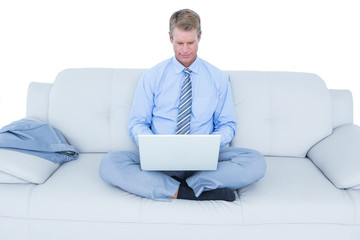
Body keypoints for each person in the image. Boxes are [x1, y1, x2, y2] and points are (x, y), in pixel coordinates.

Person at [99, 9, 266, 202]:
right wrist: (154, 146)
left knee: (255, 162)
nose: (185, 50)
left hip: (205, 160)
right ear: (170, 38)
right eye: (179, 43)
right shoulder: (153, 76)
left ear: (200, 37)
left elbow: (227, 125)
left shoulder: (217, 78)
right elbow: (137, 122)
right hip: (161, 159)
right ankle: (192, 192)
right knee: (110, 163)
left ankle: (175, 187)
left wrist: (209, 145)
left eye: (190, 42)